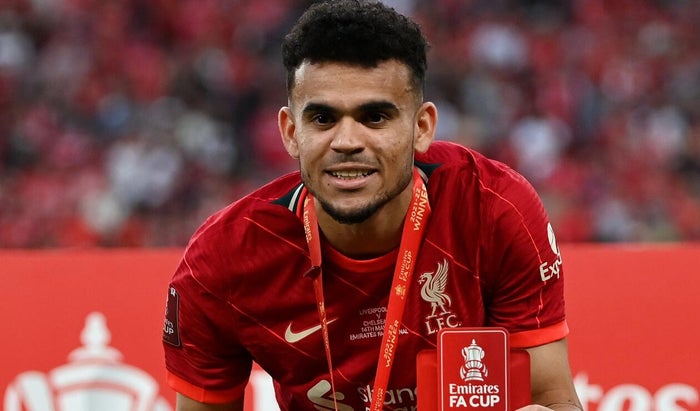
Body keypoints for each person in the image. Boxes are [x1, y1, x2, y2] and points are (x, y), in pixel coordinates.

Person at [162, 1, 582, 410]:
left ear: (422, 128)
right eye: (323, 119)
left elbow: (554, 399)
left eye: (375, 117)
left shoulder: (492, 208)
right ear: (290, 132)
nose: (347, 142)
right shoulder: (223, 257)